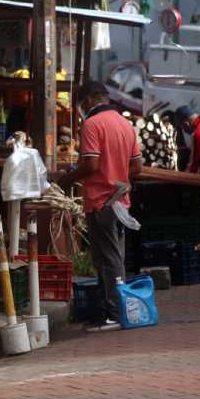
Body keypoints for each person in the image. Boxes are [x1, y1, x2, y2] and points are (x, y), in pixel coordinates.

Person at [56, 81, 142, 332]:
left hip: (101, 201)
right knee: (115, 257)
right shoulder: (125, 124)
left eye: (82, 104)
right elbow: (136, 167)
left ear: (90, 100)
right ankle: (114, 310)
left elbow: (91, 165)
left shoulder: (92, 125)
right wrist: (116, 173)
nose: (82, 109)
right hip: (121, 201)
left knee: (107, 259)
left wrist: (66, 180)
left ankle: (113, 313)